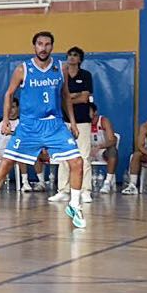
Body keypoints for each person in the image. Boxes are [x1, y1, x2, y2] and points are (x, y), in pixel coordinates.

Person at [0, 31, 86, 228]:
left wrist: (73, 122)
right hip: (29, 126)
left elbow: (66, 95)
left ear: (52, 46)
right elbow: (8, 94)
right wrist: (6, 119)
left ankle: (75, 205)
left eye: (48, 44)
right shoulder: (23, 69)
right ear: (34, 46)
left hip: (54, 124)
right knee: (6, 163)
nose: (44, 47)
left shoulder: (61, 68)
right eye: (40, 44)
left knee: (77, 161)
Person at [54, 46, 93, 204]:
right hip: (64, 120)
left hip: (82, 120)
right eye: (69, 55)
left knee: (83, 156)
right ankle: (63, 190)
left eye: (75, 55)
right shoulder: (61, 76)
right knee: (63, 156)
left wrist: (68, 98)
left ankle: (85, 190)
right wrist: (72, 96)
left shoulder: (86, 75)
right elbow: (59, 98)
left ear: (80, 59)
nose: (71, 57)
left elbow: (85, 98)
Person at [86, 103, 118, 195]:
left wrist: (99, 147)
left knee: (113, 151)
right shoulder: (83, 122)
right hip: (88, 151)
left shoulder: (103, 121)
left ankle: (107, 183)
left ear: (95, 112)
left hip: (102, 150)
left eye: (88, 111)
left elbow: (112, 140)